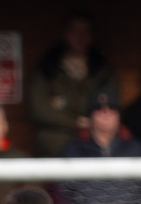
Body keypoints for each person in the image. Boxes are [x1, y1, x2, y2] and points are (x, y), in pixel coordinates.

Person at [24, 13, 117, 156]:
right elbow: (39, 110)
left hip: (94, 137)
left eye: (85, 31)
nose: (80, 36)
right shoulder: (48, 66)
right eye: (75, 31)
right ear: (65, 33)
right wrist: (76, 123)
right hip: (56, 138)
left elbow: (112, 104)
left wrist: (90, 121)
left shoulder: (102, 69)